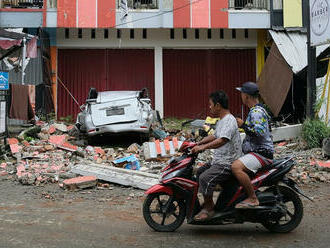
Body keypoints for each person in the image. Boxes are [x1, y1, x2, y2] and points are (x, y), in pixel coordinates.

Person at [191, 91, 242, 221]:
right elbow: (215, 135)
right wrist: (198, 142)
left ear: (218, 105)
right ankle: (208, 202)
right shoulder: (222, 121)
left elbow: (222, 140)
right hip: (219, 160)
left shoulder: (229, 120)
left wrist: (202, 147)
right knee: (200, 172)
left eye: (210, 104)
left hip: (227, 163)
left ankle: (209, 209)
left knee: (204, 178)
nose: (209, 107)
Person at [232, 82, 274, 208]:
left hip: (261, 153)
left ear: (247, 96)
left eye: (242, 93)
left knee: (235, 167)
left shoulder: (256, 112)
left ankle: (252, 198)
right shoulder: (255, 110)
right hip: (256, 152)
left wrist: (243, 125)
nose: (241, 95)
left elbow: (258, 133)